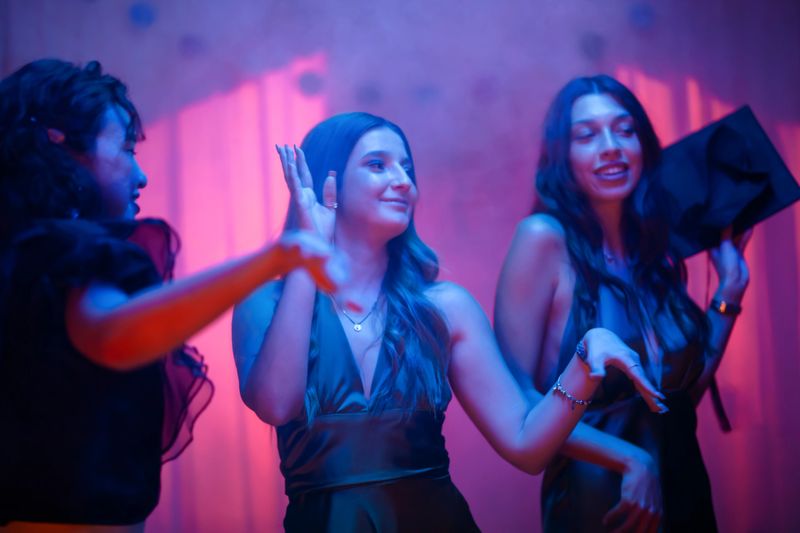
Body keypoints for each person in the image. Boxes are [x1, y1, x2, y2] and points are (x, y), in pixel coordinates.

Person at [231, 111, 667, 532]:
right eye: (378, 165)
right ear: (328, 182)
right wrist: (308, 255)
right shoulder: (263, 303)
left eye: (407, 169)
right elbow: (275, 405)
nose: (404, 182)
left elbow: (526, 447)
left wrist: (585, 360)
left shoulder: (446, 307)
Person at [0, 59, 337, 532]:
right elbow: (112, 336)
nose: (141, 176)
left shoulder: (26, 251)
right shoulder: (67, 252)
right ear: (61, 144)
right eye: (126, 149)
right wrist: (276, 258)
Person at [494, 75, 751, 532]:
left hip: (683, 485)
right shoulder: (543, 240)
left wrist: (728, 294)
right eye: (587, 135)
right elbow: (516, 404)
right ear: (562, 156)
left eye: (624, 129)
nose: (610, 146)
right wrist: (633, 460)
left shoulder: (653, 250)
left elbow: (676, 396)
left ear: (643, 145)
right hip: (601, 501)